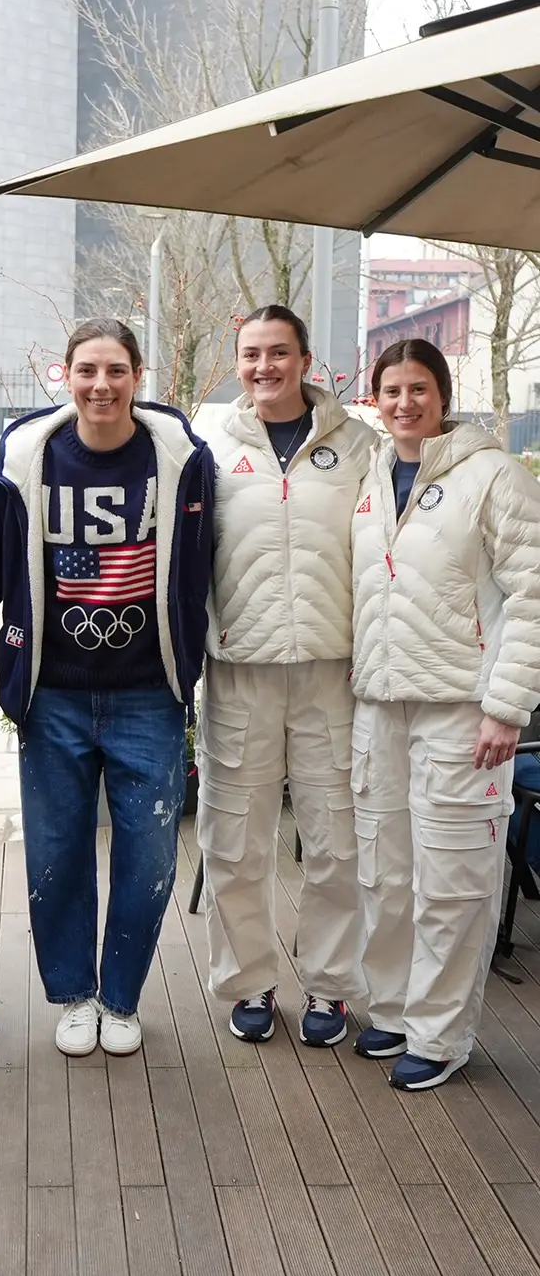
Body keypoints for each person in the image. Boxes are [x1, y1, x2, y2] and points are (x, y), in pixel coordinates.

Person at [0, 318, 214, 1057]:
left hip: (149, 693)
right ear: (66, 374)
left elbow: (203, 562)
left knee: (148, 854)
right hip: (54, 694)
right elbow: (0, 563)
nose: (101, 385)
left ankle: (121, 997)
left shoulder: (179, 460)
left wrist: (189, 656)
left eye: (116, 370)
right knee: (57, 849)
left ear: (137, 376)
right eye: (87, 370)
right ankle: (74, 994)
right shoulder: (28, 457)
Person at [351, 338, 540, 1090]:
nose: (405, 403)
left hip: (463, 710)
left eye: (419, 389)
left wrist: (505, 707)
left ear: (443, 393)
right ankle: (393, 1010)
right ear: (376, 397)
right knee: (385, 872)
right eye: (391, 390)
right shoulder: (369, 476)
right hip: (380, 703)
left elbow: (532, 594)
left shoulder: (492, 475)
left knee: (454, 879)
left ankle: (440, 1034)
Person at [196, 305, 375, 1047]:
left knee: (338, 840)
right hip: (241, 671)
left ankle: (331, 987)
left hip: (333, 674)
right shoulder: (210, 447)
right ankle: (251, 983)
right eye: (251, 354)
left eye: (278, 352)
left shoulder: (356, 444)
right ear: (238, 363)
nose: (264, 366)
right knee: (235, 841)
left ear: (306, 360)